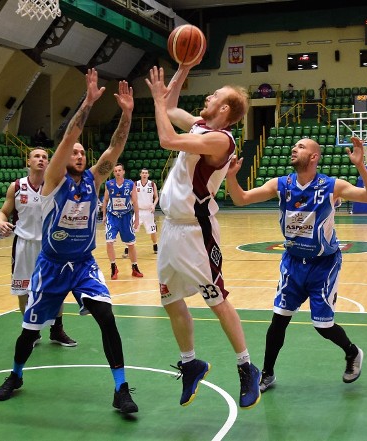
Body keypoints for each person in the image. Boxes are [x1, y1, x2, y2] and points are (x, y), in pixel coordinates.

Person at [0, 69, 139, 415]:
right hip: (52, 266)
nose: (78, 154)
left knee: (107, 317)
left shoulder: (94, 179)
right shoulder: (53, 180)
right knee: (30, 333)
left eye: (81, 152)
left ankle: (121, 388)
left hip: (84, 265)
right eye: (73, 151)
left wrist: (128, 114)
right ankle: (15, 375)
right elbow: (68, 137)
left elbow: (115, 147)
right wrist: (87, 103)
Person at [145, 63, 261, 409]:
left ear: (224, 110)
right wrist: (182, 69)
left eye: (214, 96)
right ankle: (190, 362)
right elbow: (170, 110)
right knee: (169, 299)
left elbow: (166, 136)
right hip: (171, 228)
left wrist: (155, 96)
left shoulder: (219, 140)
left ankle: (246, 367)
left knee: (216, 299)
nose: (207, 97)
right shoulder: (199, 126)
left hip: (197, 232)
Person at [225, 136, 367, 392]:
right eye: (294, 145)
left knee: (323, 326)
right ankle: (267, 374)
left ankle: (352, 352)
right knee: (279, 320)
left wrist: (361, 166)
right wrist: (231, 177)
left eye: (301, 146)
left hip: (323, 265)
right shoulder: (282, 184)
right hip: (293, 262)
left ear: (314, 156)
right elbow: (241, 199)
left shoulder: (331, 186)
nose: (294, 148)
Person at [0, 148, 76, 346]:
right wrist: (0, 221)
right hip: (23, 244)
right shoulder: (16, 187)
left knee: (55, 289)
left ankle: (57, 330)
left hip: (49, 246)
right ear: (28, 162)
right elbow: (3, 212)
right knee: (23, 291)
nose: (41, 160)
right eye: (37, 157)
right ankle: (30, 330)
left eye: (44, 157)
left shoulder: (56, 186)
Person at [102, 163, 143, 279]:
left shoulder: (130, 184)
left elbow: (135, 202)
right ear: (113, 173)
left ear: (123, 172)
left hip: (126, 216)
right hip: (112, 216)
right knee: (109, 241)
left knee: (130, 244)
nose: (117, 172)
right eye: (115, 171)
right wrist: (104, 215)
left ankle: (135, 267)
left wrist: (137, 219)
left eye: (119, 170)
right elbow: (105, 200)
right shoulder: (109, 184)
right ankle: (113, 267)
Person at [124, 167, 158, 257]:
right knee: (132, 230)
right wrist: (130, 204)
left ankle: (155, 245)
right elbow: (132, 197)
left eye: (146, 173)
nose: (144, 174)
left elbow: (157, 197)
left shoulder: (152, 184)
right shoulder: (136, 184)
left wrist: (154, 205)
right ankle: (127, 249)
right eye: (143, 173)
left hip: (149, 212)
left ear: (148, 175)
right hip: (138, 211)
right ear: (140, 174)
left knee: (152, 231)